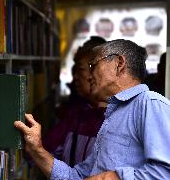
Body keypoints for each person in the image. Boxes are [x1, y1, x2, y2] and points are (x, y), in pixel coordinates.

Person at [14, 39, 170, 179]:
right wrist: (37, 149)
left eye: (93, 65)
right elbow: (76, 176)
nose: (89, 75)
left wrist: (111, 177)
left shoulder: (150, 104)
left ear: (119, 64)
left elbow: (164, 173)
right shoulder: (113, 115)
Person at [43, 36, 107, 167]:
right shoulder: (77, 114)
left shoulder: (120, 119)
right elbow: (47, 148)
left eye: (80, 69)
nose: (75, 77)